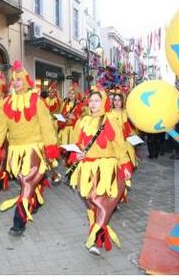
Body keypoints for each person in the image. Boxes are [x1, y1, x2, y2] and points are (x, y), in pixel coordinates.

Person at [0, 60, 59, 236]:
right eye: (14, 79)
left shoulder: (36, 100)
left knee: (26, 182)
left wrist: (50, 146)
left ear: (26, 80)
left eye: (19, 79)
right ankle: (36, 201)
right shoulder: (7, 102)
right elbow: (1, 128)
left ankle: (19, 221)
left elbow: (46, 126)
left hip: (34, 148)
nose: (16, 82)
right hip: (15, 152)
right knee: (25, 181)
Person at [68, 90, 133, 255]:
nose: (93, 103)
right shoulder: (83, 121)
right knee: (90, 201)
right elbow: (77, 143)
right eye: (91, 101)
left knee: (99, 200)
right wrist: (77, 154)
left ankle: (95, 239)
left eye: (97, 100)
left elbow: (119, 145)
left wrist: (125, 165)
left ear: (103, 102)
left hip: (106, 167)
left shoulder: (110, 119)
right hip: (87, 168)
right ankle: (100, 235)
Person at [108, 92, 138, 201]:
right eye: (114, 100)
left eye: (119, 100)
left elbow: (129, 129)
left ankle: (121, 194)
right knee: (114, 170)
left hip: (125, 146)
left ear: (122, 101)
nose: (116, 102)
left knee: (125, 170)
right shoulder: (109, 114)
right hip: (113, 146)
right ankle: (113, 193)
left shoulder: (126, 113)